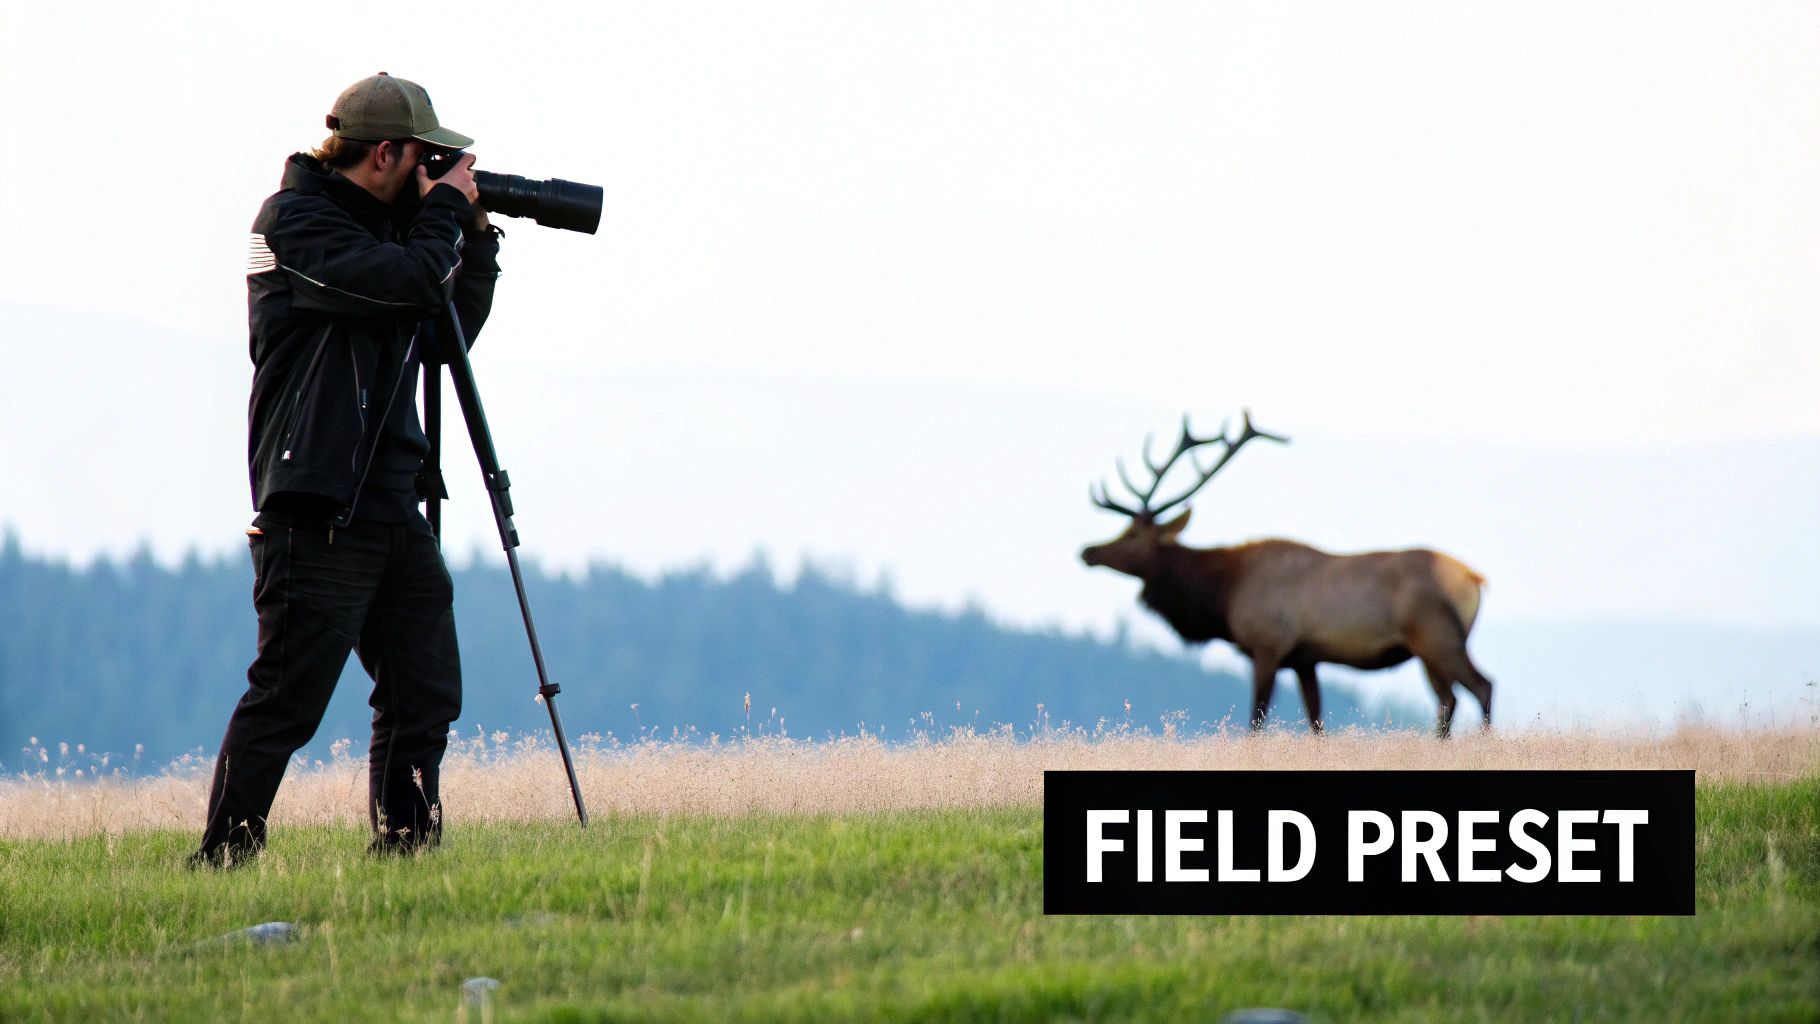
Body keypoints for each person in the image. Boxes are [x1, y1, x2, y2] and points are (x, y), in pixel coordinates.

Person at [193, 72, 501, 865]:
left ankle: (406, 848)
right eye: (426, 158)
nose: (436, 172)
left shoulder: (389, 236)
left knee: (424, 691)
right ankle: (224, 854)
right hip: (317, 501)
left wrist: (478, 243)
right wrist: (438, 219)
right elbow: (394, 285)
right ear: (388, 153)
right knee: (289, 696)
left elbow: (439, 332)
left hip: (390, 500)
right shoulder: (296, 223)